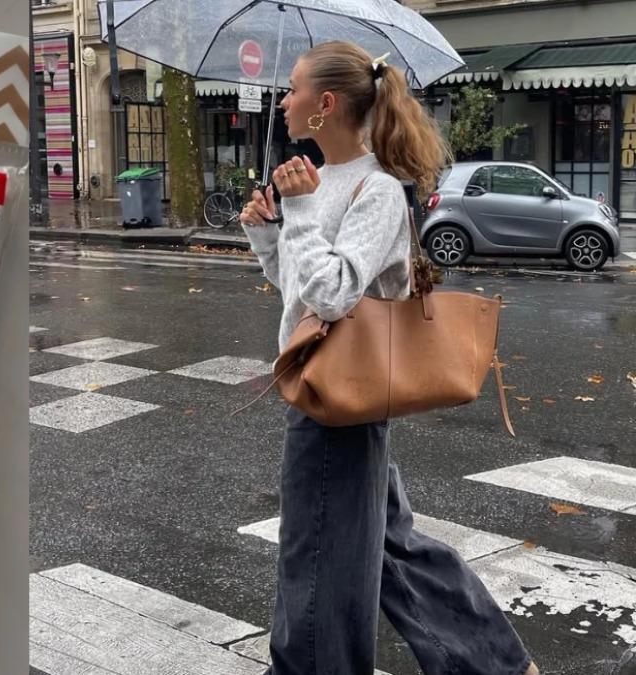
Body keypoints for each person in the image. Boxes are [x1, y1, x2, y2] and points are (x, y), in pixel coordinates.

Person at [239, 41, 539, 675]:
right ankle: (491, 664)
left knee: (317, 556)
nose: (284, 101)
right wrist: (270, 232)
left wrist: (297, 212)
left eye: (293, 90)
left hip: (337, 397)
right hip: (326, 383)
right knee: (389, 550)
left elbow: (336, 293)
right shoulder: (320, 180)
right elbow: (299, 294)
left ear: (324, 105)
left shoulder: (374, 189)